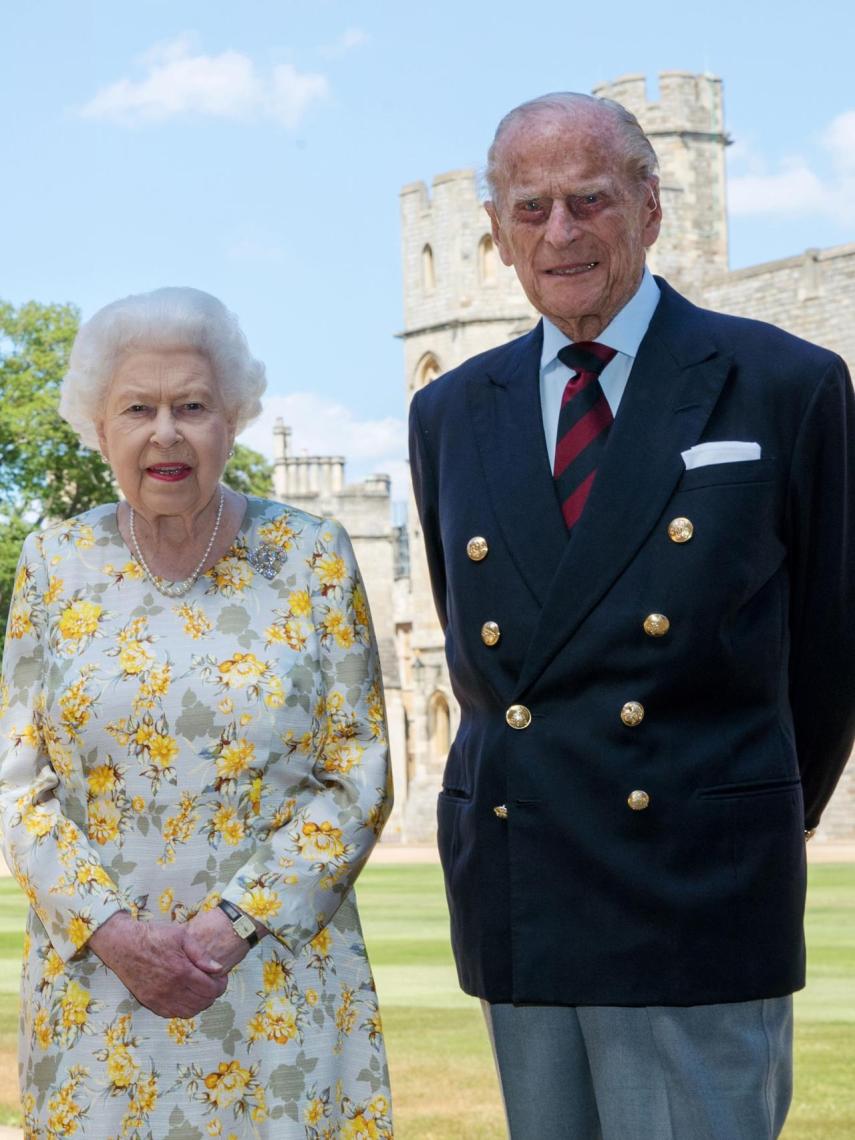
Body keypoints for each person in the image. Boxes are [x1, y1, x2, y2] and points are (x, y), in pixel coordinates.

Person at [408, 92, 855, 1140]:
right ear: (496, 232)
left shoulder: (784, 384)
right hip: (524, 884)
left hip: (697, 890)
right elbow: (484, 645)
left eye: (588, 201)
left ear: (651, 208)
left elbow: (832, 650)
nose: (559, 233)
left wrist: (737, 812)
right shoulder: (449, 410)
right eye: (530, 209)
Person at [0, 286, 394, 1138]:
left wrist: (233, 925)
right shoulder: (52, 562)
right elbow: (18, 783)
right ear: (98, 428)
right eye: (137, 408)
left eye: (194, 406)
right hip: (99, 992)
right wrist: (115, 936)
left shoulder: (311, 556)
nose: (166, 432)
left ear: (234, 421)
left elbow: (359, 772)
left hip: (277, 982)